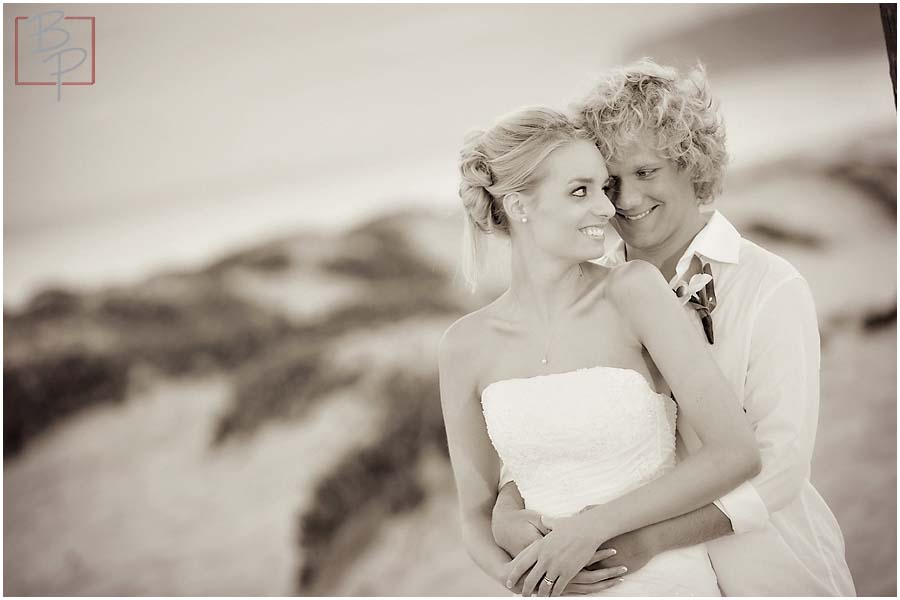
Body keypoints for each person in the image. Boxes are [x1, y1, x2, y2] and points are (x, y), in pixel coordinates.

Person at [491, 59, 856, 596]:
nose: (628, 200)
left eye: (647, 172)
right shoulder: (591, 290)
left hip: (771, 568)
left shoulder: (771, 286)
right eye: (611, 182)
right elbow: (556, 413)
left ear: (693, 164)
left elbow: (781, 467)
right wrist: (507, 502)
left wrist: (653, 539)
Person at [439, 106, 762, 597]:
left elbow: (736, 453)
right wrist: (527, 576)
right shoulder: (463, 346)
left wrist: (595, 527)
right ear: (520, 205)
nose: (609, 209)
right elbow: (472, 520)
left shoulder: (633, 292)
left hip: (662, 581)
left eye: (602, 188)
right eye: (580, 191)